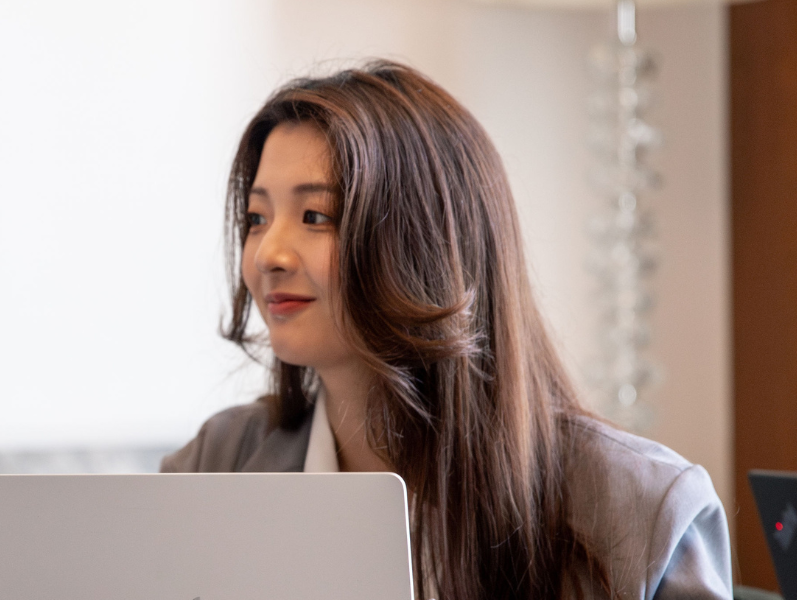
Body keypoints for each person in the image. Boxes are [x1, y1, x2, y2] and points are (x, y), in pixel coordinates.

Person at [161, 60, 732, 599]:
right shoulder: (217, 463)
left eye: (316, 217)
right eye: (257, 219)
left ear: (426, 244)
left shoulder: (644, 510)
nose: (268, 254)